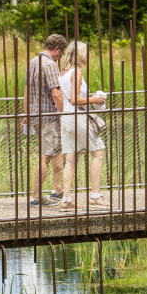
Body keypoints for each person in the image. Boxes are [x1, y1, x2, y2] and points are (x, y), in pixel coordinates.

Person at [58, 41, 107, 210]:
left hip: (65, 118)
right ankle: (94, 196)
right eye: (86, 53)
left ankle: (66, 200)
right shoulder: (77, 72)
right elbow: (74, 100)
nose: (88, 57)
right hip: (77, 117)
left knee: (71, 159)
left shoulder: (63, 72)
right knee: (98, 153)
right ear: (80, 54)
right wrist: (95, 99)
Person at [23, 33, 68, 206]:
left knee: (57, 150)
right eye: (61, 53)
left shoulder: (32, 62)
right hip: (49, 116)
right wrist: (67, 113)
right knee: (46, 156)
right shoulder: (50, 65)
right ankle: (35, 196)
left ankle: (57, 188)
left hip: (35, 115)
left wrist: (26, 114)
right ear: (57, 49)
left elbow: (26, 91)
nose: (60, 57)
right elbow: (56, 93)